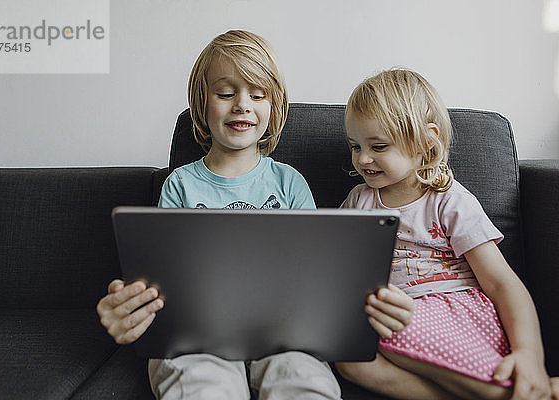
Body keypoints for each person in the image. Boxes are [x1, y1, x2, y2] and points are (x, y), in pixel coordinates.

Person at [96, 31, 413, 400]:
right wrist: (135, 303)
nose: (242, 105)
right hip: (197, 334)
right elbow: (164, 278)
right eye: (226, 93)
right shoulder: (179, 184)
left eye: (257, 94)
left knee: (302, 378)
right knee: (200, 381)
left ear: (273, 107)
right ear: (202, 105)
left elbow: (317, 274)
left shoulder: (289, 182)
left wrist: (369, 304)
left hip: (286, 335)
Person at [335, 68, 559, 400]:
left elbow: (501, 282)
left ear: (426, 142)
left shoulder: (449, 200)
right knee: (349, 356)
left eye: (378, 146)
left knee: (386, 326)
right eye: (355, 146)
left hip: (457, 317)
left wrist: (529, 354)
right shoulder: (359, 199)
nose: (363, 158)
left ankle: (526, 389)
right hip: (393, 313)